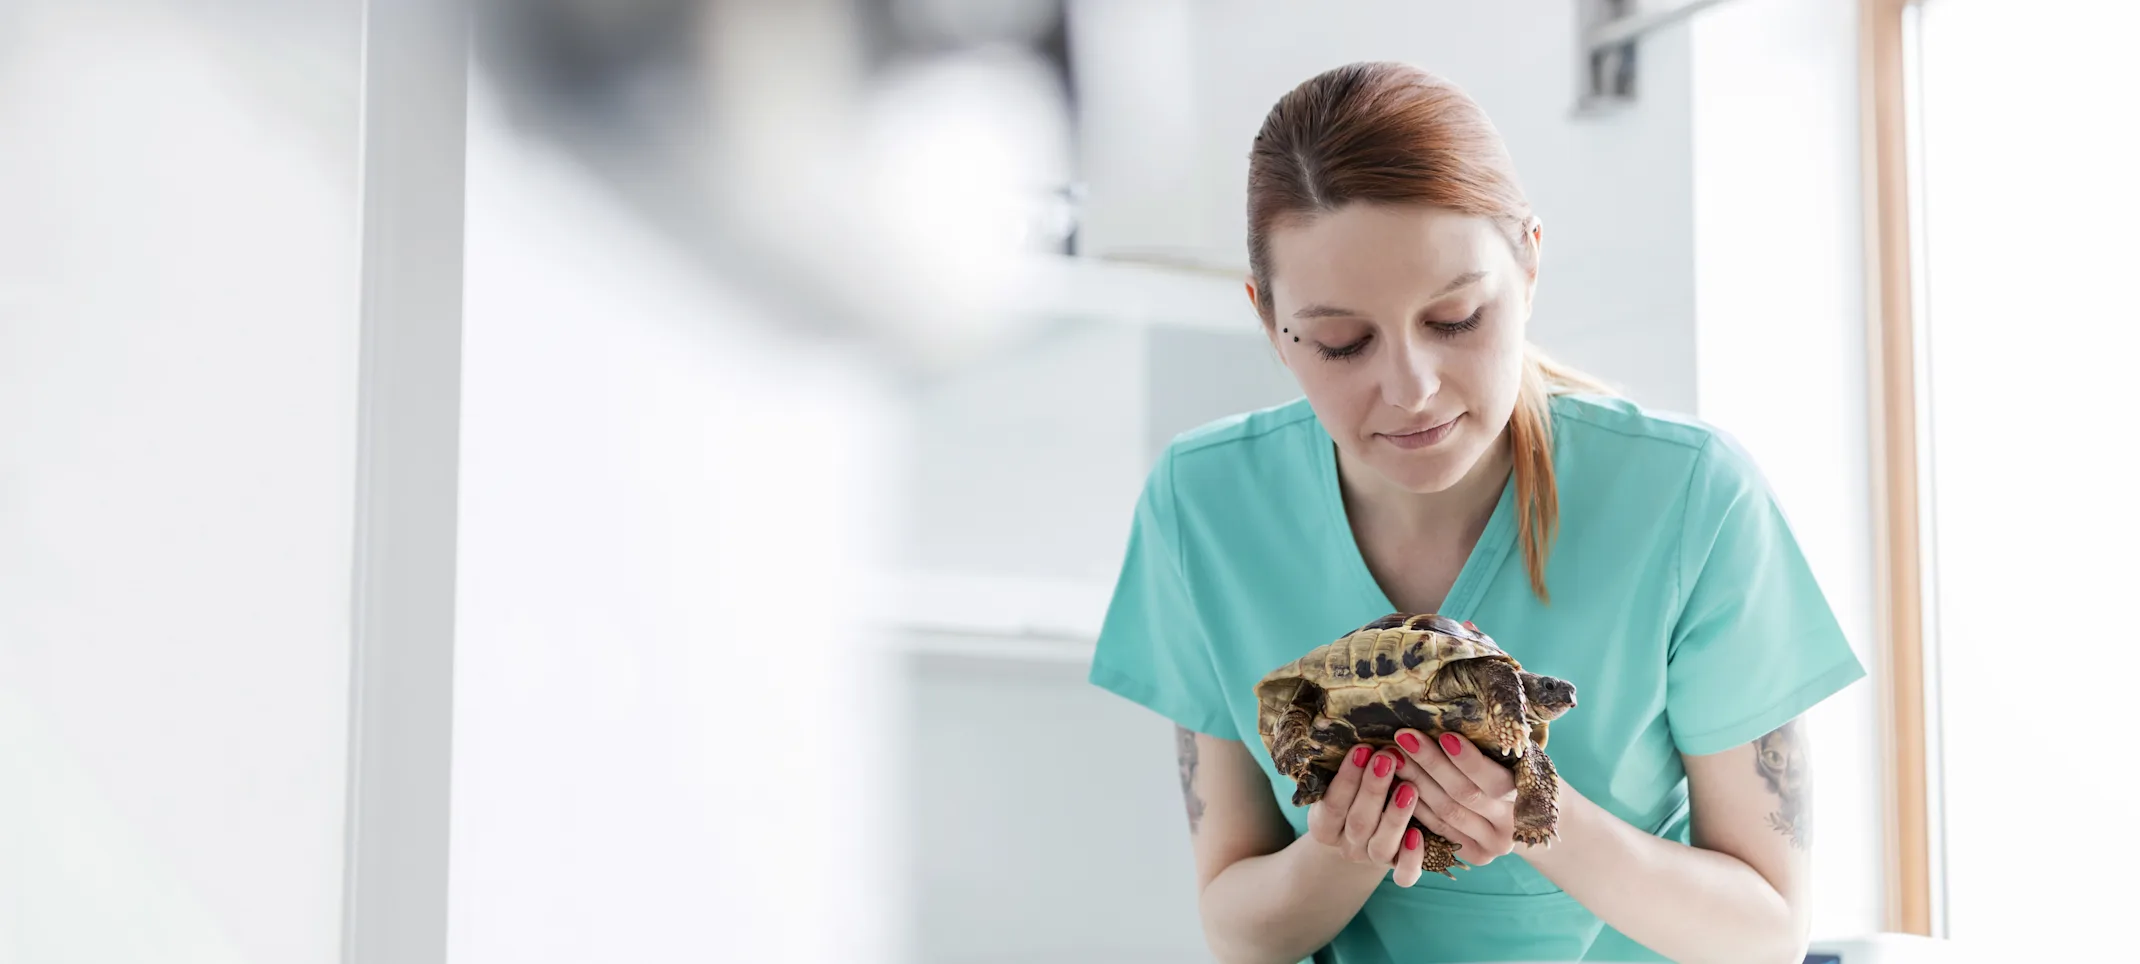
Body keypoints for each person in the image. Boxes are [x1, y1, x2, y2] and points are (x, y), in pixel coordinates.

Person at [1086, 61, 1866, 964]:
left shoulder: (1693, 499)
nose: (1411, 389)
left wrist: (1537, 813)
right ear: (1270, 322)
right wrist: (1342, 852)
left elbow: (1766, 931)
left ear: (1529, 264)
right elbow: (1236, 927)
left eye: (1455, 318)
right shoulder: (1204, 505)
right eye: (1342, 341)